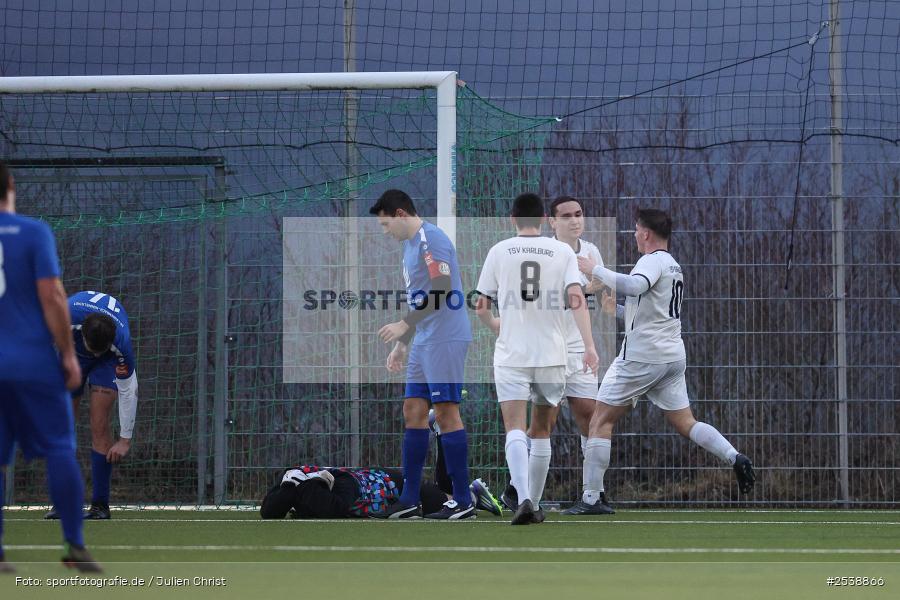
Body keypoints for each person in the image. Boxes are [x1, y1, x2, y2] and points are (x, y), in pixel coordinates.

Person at [564, 208, 755, 515]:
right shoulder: (674, 266)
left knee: (600, 419)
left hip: (642, 358)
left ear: (646, 234)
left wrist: (595, 269)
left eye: (636, 230)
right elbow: (653, 311)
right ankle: (735, 457)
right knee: (686, 423)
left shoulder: (652, 261)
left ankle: (591, 499)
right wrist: (620, 312)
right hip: (671, 357)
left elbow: (637, 285)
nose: (635, 235)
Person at [0, 162, 101, 572]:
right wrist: (67, 353)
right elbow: (53, 296)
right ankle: (74, 545)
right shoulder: (33, 231)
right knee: (60, 447)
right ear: (11, 186)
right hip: (32, 362)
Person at [474, 192, 599, 525]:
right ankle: (536, 502)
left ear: (513, 219)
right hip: (552, 354)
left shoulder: (499, 250)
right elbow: (577, 299)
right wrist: (589, 346)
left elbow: (481, 305)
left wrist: (497, 326)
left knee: (514, 427)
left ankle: (524, 498)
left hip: (512, 353)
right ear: (545, 219)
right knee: (541, 428)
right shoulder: (561, 251)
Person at [500, 195, 616, 510]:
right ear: (552, 222)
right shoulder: (544, 252)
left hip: (578, 345)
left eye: (579, 214)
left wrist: (607, 298)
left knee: (590, 414)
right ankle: (517, 490)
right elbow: (547, 300)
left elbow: (604, 299)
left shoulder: (591, 253)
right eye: (566, 216)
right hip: (547, 344)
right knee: (544, 422)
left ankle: (594, 493)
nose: (574, 220)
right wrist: (582, 290)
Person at [370, 189, 474, 519]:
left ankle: (463, 500)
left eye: (386, 225)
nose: (386, 232)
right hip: (424, 340)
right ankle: (410, 499)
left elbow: (442, 289)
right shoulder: (409, 247)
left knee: (445, 413)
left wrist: (403, 324)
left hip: (445, 338)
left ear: (401, 215)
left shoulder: (431, 238)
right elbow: (421, 299)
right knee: (413, 410)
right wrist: (404, 342)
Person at [45, 291, 138, 521]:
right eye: (92, 348)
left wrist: (125, 439)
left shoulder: (120, 344)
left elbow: (129, 390)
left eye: (100, 349)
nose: (94, 353)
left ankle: (100, 506)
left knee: (99, 423)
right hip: (72, 351)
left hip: (106, 365)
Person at [260, 436, 502, 519]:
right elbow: (268, 512)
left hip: (396, 486)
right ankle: (440, 436)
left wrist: (308, 484)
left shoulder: (342, 485)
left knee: (445, 501)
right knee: (442, 494)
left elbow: (334, 509)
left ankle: (472, 495)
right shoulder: (304, 487)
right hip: (389, 484)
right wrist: (289, 484)